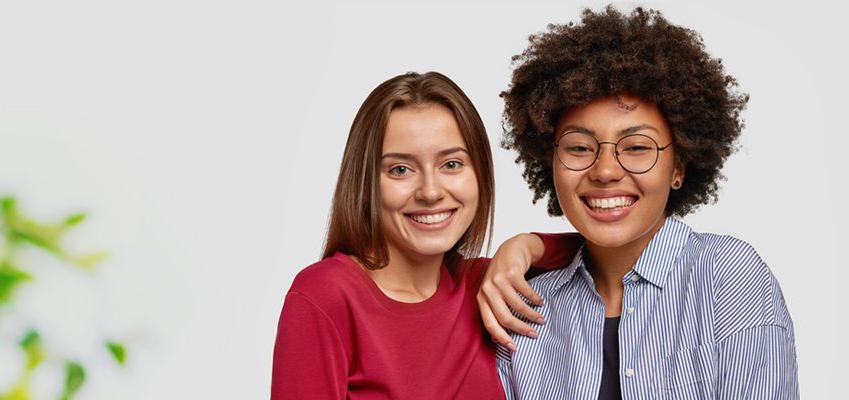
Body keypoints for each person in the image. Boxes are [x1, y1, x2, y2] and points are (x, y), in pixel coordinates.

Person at [492, 7, 798, 399]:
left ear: (679, 167)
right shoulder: (524, 310)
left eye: (637, 147)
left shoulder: (728, 279)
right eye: (580, 147)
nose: (605, 170)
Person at [271, 71, 579, 399]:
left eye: (451, 164)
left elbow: (601, 246)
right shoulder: (326, 295)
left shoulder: (483, 285)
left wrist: (525, 246)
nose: (430, 192)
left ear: (480, 175)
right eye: (400, 169)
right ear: (364, 185)